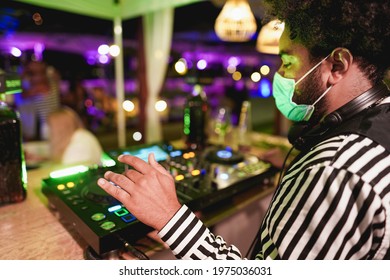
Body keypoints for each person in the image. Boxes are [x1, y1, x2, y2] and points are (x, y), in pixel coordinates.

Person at [97, 0, 390, 259]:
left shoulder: (335, 171)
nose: (281, 74)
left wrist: (170, 217)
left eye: (288, 61)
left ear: (336, 66)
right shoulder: (378, 125)